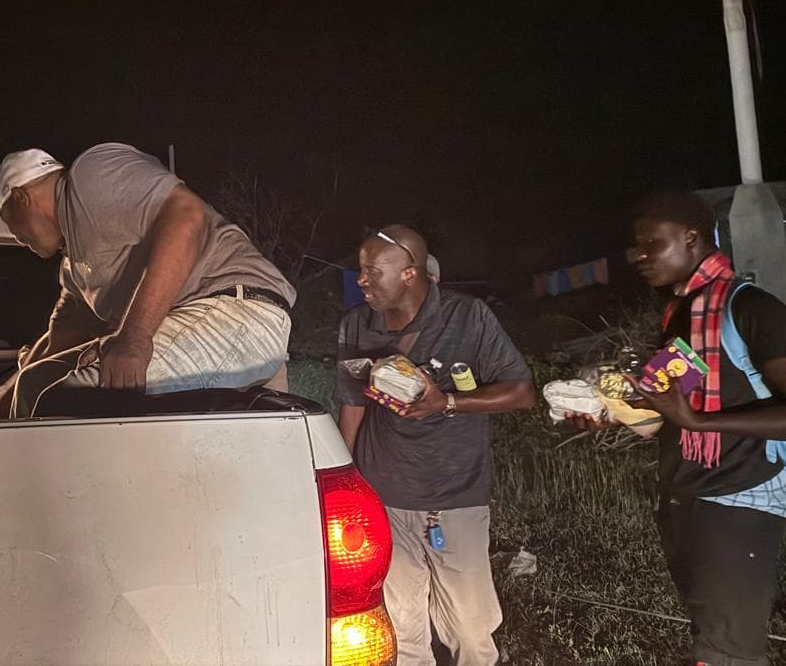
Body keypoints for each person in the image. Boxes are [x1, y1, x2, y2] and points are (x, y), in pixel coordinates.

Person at [568, 190, 786, 666]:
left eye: (652, 244)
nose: (640, 257)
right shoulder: (682, 313)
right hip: (687, 494)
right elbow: (672, 412)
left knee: (729, 650)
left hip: (740, 498)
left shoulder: (750, 308)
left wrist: (695, 419)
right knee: (711, 635)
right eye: (637, 247)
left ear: (692, 239)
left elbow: (695, 414)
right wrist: (616, 414)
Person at [335, 225, 535, 666]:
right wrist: (345, 485)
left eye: (372, 272)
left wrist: (447, 402)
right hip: (384, 495)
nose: (362, 280)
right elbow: (352, 407)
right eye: (360, 271)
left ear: (410, 273)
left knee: (470, 630)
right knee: (401, 629)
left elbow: (522, 392)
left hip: (455, 494)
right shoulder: (356, 324)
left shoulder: (467, 317)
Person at [0, 143, 295, 416]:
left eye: (11, 225)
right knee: (34, 384)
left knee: (67, 398)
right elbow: (55, 344)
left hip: (238, 312)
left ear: (22, 197)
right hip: (218, 324)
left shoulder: (91, 174)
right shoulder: (76, 268)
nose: (18, 238)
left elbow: (188, 214)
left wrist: (134, 337)